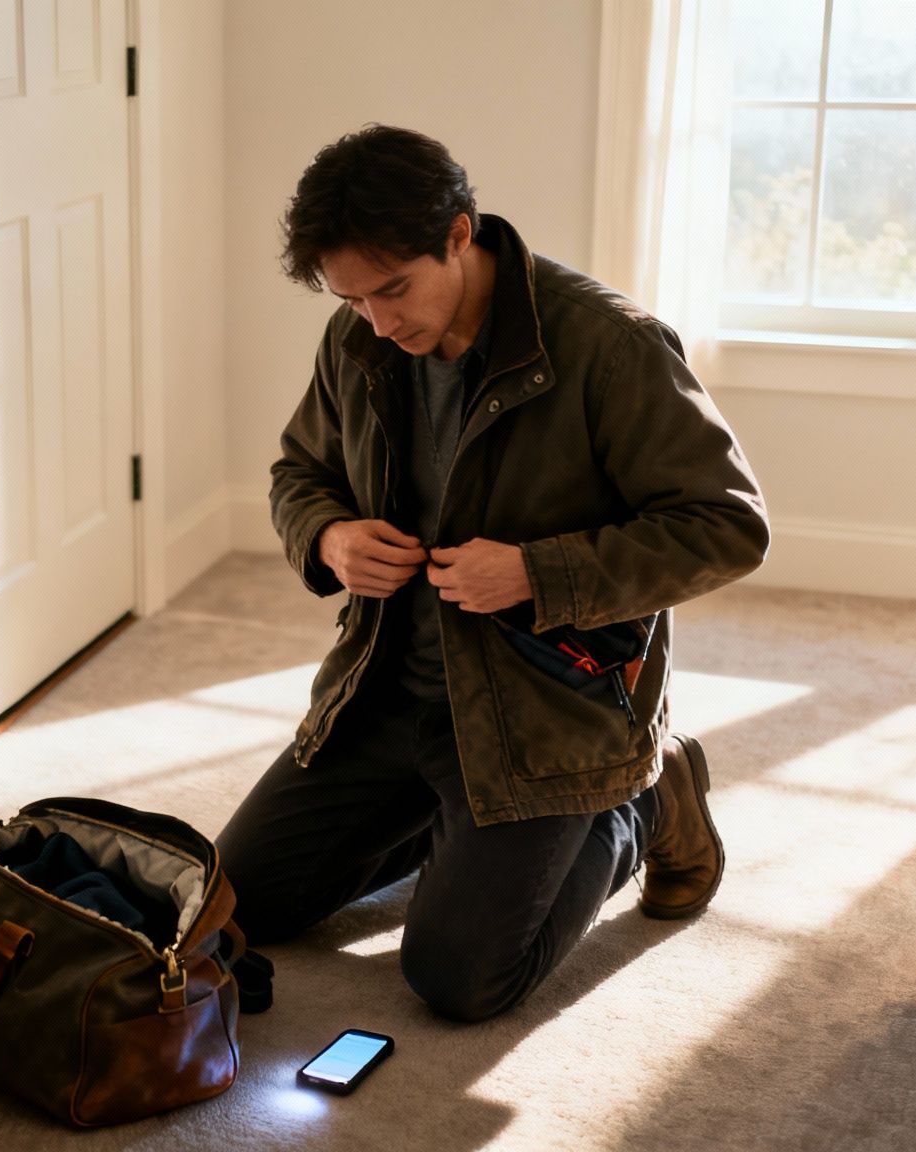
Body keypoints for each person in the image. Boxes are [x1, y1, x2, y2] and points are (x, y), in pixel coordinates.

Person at [214, 125, 770, 1022]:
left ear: (459, 234)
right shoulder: (358, 339)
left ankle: (638, 802)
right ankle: (459, 829)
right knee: (234, 908)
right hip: (385, 692)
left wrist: (539, 573)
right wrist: (328, 538)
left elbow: (729, 526)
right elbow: (299, 474)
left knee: (459, 978)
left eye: (394, 289)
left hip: (543, 710)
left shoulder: (609, 345)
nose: (378, 322)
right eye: (352, 298)